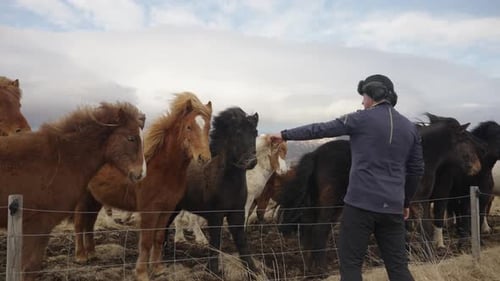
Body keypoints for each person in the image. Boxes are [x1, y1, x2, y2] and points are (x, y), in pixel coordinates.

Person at [270, 74, 424, 281]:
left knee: (351, 267)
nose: (362, 101)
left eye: (364, 96)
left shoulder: (359, 119)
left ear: (374, 94)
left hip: (360, 207)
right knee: (398, 268)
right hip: (393, 208)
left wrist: (285, 134)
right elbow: (416, 170)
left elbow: (320, 129)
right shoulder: (410, 128)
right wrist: (405, 201)